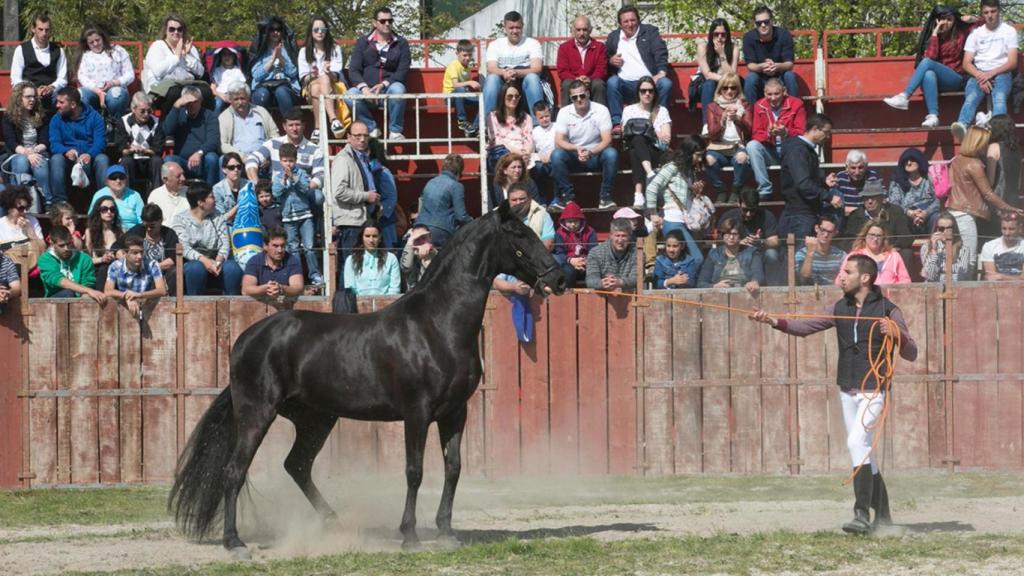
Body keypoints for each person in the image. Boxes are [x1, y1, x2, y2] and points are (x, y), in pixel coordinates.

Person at [750, 254, 918, 536]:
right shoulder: (840, 307)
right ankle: (884, 515)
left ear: (865, 278)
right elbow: (806, 327)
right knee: (863, 451)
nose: (841, 276)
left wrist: (897, 334)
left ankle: (861, 514)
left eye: (847, 272)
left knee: (856, 443)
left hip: (873, 390)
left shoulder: (889, 310)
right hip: (847, 389)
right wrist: (773, 321)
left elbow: (912, 352)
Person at [883, 6, 979, 127]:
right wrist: (935, 33)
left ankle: (905, 96)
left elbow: (985, 21)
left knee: (927, 63)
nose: (946, 23)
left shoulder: (961, 33)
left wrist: (971, 17)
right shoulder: (934, 36)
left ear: (954, 20)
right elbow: (931, 56)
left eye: (949, 19)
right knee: (928, 74)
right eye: (943, 20)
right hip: (939, 82)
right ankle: (933, 116)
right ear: (938, 20)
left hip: (956, 79)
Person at [947, 125, 1023, 266]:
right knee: (969, 258)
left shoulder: (957, 160)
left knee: (959, 255)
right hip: (966, 213)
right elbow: (988, 194)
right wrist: (1009, 208)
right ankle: (968, 288)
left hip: (953, 210)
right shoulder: (975, 164)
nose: (986, 146)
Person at [950, 0, 1018, 140]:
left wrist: (990, 74)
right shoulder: (975, 34)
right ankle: (962, 126)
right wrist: (981, 76)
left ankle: (1000, 134)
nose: (990, 15)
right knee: (971, 98)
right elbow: (966, 63)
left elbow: (1012, 62)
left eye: (993, 12)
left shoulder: (1009, 31)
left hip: (1002, 73)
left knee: (999, 98)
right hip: (978, 73)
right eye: (986, 12)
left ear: (999, 11)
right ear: (982, 14)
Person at [551, 80, 619, 211]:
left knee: (611, 153)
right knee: (556, 155)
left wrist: (591, 152)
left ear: (588, 94)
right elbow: (559, 140)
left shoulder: (601, 110)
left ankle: (606, 197)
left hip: (596, 154)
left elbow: (607, 140)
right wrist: (576, 148)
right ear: (570, 98)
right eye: (574, 97)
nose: (579, 99)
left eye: (582, 95)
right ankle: (568, 198)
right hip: (574, 155)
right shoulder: (564, 112)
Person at [347, 7, 411, 139]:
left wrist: (383, 85)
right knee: (350, 95)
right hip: (367, 92)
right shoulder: (363, 42)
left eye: (390, 20)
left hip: (388, 91)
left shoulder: (401, 43)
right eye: (383, 21)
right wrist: (364, 89)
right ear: (374, 23)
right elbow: (353, 69)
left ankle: (395, 131)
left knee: (398, 89)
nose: (387, 24)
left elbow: (403, 69)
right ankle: (371, 128)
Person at [605, 5, 672, 131]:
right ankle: (617, 123)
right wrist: (611, 61)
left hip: (649, 83)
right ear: (620, 24)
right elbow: (605, 58)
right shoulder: (613, 37)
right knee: (612, 82)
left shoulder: (650, 32)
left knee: (666, 83)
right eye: (626, 21)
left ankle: (659, 121)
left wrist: (661, 73)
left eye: (633, 20)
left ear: (638, 20)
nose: (630, 24)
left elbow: (660, 52)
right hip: (625, 85)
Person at [172, 180, 242, 295]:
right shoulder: (180, 220)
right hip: (194, 261)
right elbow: (184, 247)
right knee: (195, 268)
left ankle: (231, 306)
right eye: (211, 197)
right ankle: (195, 306)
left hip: (216, 260)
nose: (214, 200)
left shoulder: (217, 216)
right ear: (201, 202)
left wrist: (218, 261)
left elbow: (224, 242)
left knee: (232, 268)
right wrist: (205, 261)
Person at [330, 122, 381, 275]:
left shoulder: (361, 158)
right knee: (351, 269)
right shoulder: (343, 159)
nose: (362, 139)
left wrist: (376, 204)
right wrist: (367, 196)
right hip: (351, 223)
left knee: (361, 268)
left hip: (362, 220)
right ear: (349, 138)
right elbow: (339, 191)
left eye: (365, 135)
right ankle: (347, 299)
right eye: (357, 136)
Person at [779, 113, 838, 243]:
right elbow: (803, 183)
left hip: (801, 211)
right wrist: (829, 197)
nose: (828, 137)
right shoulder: (798, 150)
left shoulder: (801, 149)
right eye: (826, 132)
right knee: (800, 256)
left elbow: (802, 179)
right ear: (815, 129)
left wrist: (823, 182)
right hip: (800, 213)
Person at [48, 87, 110, 204]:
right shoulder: (56, 119)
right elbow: (54, 144)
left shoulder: (95, 117)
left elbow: (100, 142)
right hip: (68, 158)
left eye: (61, 102)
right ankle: (60, 201)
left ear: (73, 104)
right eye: (57, 102)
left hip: (90, 157)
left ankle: (105, 200)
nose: (57, 105)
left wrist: (90, 154)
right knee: (56, 159)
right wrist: (66, 151)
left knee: (102, 159)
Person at [646, 137, 715, 240]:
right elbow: (651, 188)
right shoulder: (672, 167)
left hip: (687, 221)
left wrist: (694, 191)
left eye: (702, 155)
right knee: (696, 256)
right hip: (673, 220)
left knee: (692, 256)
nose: (700, 159)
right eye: (698, 155)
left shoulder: (690, 171)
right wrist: (653, 214)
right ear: (688, 152)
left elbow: (684, 196)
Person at [747, 77, 805, 199]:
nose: (773, 98)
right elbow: (756, 134)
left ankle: (798, 188)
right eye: (769, 94)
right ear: (764, 93)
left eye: (776, 94)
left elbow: (802, 133)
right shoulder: (759, 105)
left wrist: (786, 133)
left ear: (784, 91)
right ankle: (764, 189)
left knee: (799, 149)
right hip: (771, 150)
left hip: (789, 150)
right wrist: (768, 134)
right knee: (752, 146)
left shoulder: (796, 104)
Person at [142, 14, 212, 116]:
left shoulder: (190, 48)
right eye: (172, 29)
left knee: (205, 91)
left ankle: (202, 126)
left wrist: (186, 55)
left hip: (187, 85)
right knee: (174, 92)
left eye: (179, 29)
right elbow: (158, 72)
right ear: (165, 30)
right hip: (161, 88)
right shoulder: (158, 46)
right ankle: (167, 127)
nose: (176, 32)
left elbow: (200, 72)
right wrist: (177, 57)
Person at [273, 142, 322, 286]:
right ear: (280, 161)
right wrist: (284, 180)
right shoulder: (278, 176)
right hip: (288, 218)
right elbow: (276, 193)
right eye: (285, 160)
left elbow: (306, 188)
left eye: (291, 160)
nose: (288, 164)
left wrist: (293, 179)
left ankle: (315, 275)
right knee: (292, 248)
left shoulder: (301, 173)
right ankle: (297, 276)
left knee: (309, 247)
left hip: (305, 215)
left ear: (296, 160)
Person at [246, 108, 325, 196]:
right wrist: (257, 184)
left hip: (303, 193)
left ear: (304, 125)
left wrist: (304, 187)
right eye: (291, 125)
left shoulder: (315, 149)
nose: (294, 129)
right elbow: (252, 159)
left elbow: (320, 175)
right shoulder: (273, 144)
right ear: (284, 126)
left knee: (318, 196)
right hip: (279, 192)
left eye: (297, 125)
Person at [482, 11, 545, 122]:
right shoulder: (495, 45)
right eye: (511, 28)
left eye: (518, 27)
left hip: (524, 85)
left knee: (533, 78)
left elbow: (537, 68)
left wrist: (516, 72)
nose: (515, 31)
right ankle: (487, 124)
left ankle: (537, 125)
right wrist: (504, 73)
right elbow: (491, 68)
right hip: (502, 86)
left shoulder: (532, 43)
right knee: (492, 79)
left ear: (522, 26)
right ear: (505, 27)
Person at [622, 76, 672, 209]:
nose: (647, 94)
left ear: (655, 93)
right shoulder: (629, 110)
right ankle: (650, 174)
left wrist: (648, 131)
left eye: (650, 91)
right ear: (638, 92)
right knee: (637, 142)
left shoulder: (661, 111)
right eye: (643, 91)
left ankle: (638, 194)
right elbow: (625, 132)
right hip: (636, 148)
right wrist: (652, 132)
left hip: (656, 151)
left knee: (636, 148)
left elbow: (666, 138)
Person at [704, 73, 752, 204]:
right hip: (718, 148)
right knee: (708, 159)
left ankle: (736, 191)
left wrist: (738, 120)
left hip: (738, 146)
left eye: (733, 88)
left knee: (742, 158)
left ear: (738, 89)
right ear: (720, 90)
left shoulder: (745, 105)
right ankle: (721, 190)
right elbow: (712, 134)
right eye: (725, 88)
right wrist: (723, 119)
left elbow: (749, 132)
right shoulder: (713, 107)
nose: (729, 91)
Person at [299, 16, 347, 140]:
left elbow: (337, 75)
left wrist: (328, 72)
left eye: (323, 29)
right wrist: (313, 75)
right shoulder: (304, 52)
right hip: (310, 84)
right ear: (311, 32)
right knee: (317, 83)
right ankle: (333, 120)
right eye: (316, 30)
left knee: (321, 83)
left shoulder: (335, 49)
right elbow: (303, 77)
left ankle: (317, 128)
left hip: (333, 85)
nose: (320, 32)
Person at [163, 85, 221, 186]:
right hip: (183, 162)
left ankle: (210, 192)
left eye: (195, 102)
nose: (192, 105)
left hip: (202, 160)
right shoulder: (178, 114)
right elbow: (167, 131)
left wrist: (199, 153)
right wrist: (176, 106)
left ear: (201, 100)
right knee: (169, 160)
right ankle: (174, 193)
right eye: (189, 103)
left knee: (212, 158)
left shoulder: (209, 115)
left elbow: (213, 140)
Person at [2, 82, 51, 202]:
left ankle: (47, 200)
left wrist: (34, 152)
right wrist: (27, 154)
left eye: (34, 96)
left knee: (39, 163)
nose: (32, 100)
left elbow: (45, 141)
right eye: (28, 97)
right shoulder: (8, 118)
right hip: (17, 152)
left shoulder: (41, 116)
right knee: (21, 161)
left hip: (38, 151)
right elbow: (11, 142)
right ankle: (18, 198)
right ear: (19, 98)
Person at [74, 25, 134, 121]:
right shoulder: (85, 55)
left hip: (114, 89)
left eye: (98, 40)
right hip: (93, 91)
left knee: (116, 96)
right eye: (91, 42)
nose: (96, 44)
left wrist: (114, 83)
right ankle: (91, 124)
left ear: (103, 38)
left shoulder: (118, 51)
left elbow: (130, 74)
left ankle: (115, 125)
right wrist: (98, 91)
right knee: (81, 95)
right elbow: (82, 76)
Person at [841, 182, 913, 260]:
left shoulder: (895, 212)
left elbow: (906, 236)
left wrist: (893, 248)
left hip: (889, 253)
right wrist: (864, 250)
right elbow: (848, 241)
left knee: (906, 253)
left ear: (882, 198)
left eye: (873, 197)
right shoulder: (855, 216)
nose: (869, 201)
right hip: (864, 256)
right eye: (866, 198)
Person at [117, 204, 179, 295]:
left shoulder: (169, 234)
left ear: (161, 220)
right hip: (138, 273)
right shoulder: (137, 230)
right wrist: (121, 255)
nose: (148, 229)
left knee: (175, 272)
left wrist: (152, 268)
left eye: (152, 226)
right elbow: (117, 246)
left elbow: (173, 260)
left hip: (162, 274)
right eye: (146, 225)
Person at [742, 5, 799, 104]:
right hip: (760, 79)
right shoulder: (749, 37)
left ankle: (794, 111)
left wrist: (776, 66)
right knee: (750, 78)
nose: (763, 25)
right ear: (755, 24)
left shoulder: (784, 35)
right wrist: (763, 66)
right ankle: (750, 116)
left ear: (771, 21)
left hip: (780, 78)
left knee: (790, 76)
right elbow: (750, 65)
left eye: (766, 22)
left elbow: (789, 64)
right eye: (759, 23)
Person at [10, 14, 67, 110]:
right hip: (28, 94)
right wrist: (33, 91)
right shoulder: (21, 50)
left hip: (52, 94)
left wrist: (52, 87)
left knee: (63, 98)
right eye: (40, 29)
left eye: (47, 30)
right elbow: (15, 79)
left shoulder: (59, 51)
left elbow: (63, 78)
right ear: (33, 29)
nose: (44, 33)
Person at [718, 188, 782, 273]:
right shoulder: (729, 216)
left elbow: (775, 242)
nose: (748, 214)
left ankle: (774, 285)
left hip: (760, 253)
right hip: (736, 254)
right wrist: (737, 243)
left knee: (772, 254)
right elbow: (718, 241)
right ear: (738, 203)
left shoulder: (767, 216)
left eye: (752, 210)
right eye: (745, 210)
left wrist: (761, 242)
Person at [416, 153, 472, 248]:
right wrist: (473, 221)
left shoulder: (430, 182)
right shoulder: (456, 186)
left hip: (419, 228)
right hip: (441, 232)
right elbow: (461, 216)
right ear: (459, 172)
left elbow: (420, 206)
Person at [104, 234, 167, 318]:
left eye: (141, 252)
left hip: (148, 309)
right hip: (125, 310)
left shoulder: (152, 264)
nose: (140, 256)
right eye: (135, 253)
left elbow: (162, 290)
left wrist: (139, 295)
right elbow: (108, 290)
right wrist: (128, 296)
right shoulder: (116, 266)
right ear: (125, 253)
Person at [114, 92, 164, 195]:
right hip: (132, 160)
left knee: (157, 161)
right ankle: (126, 197)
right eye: (142, 111)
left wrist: (144, 150)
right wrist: (131, 150)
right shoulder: (124, 122)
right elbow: (121, 148)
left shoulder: (156, 122)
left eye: (149, 111)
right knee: (126, 161)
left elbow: (158, 149)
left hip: (149, 161)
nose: (146, 114)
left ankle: (157, 197)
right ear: (133, 109)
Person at [37, 225, 105, 302]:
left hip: (80, 297)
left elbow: (87, 283)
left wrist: (85, 297)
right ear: (52, 244)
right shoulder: (45, 259)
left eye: (69, 243)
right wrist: (88, 291)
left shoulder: (84, 259)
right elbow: (57, 280)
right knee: (68, 293)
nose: (66, 248)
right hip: (54, 301)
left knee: (89, 298)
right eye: (61, 245)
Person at [248, 16, 300, 115]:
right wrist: (272, 59)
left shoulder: (288, 48)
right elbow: (256, 76)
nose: (275, 32)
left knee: (281, 92)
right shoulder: (260, 50)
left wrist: (280, 58)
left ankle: (289, 124)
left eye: (278, 29)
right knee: (262, 94)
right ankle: (262, 127)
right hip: (263, 86)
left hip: (285, 87)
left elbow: (293, 73)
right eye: (272, 29)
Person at [698, 217, 765, 294]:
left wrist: (754, 282)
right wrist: (714, 286)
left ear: (740, 236)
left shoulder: (752, 252)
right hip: (719, 295)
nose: (731, 237)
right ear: (722, 235)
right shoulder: (714, 254)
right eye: (727, 233)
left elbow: (758, 274)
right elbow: (701, 282)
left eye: (734, 234)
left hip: (745, 293)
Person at [695, 19, 742, 124]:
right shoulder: (703, 47)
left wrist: (722, 55)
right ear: (711, 34)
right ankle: (707, 124)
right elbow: (707, 74)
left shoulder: (734, 48)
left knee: (738, 84)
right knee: (709, 84)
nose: (720, 38)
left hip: (726, 85)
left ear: (727, 35)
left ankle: (741, 122)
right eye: (716, 34)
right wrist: (724, 79)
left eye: (723, 35)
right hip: (706, 85)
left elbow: (732, 75)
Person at [836, 221, 911, 286]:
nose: (875, 239)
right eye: (872, 235)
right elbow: (840, 280)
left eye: (879, 236)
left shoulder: (894, 256)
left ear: (883, 238)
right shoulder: (854, 256)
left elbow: (905, 281)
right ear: (865, 236)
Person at [556, 15, 608, 106]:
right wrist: (576, 79)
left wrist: (589, 79)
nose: (581, 33)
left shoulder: (600, 47)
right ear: (573, 30)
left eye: (585, 29)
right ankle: (566, 117)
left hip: (592, 81)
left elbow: (602, 69)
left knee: (599, 84)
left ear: (590, 30)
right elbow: (562, 71)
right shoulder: (564, 48)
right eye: (578, 30)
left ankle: (600, 115)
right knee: (566, 83)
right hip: (573, 81)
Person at [242, 226, 305, 301]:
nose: (280, 250)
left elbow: (297, 288)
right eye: (275, 246)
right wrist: (266, 288)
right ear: (265, 246)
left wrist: (281, 288)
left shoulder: (292, 261)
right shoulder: (255, 261)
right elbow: (246, 289)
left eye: (282, 246)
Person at [218, 84, 279, 159]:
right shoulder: (224, 117)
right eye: (236, 99)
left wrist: (267, 155)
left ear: (248, 98)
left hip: (263, 156)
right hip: (238, 158)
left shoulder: (261, 112)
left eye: (242, 98)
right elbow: (222, 144)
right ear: (230, 100)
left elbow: (274, 136)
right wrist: (241, 157)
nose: (240, 102)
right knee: (222, 160)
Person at [485, 82, 534, 174]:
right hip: (503, 154)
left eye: (517, 96)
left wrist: (526, 153)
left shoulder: (526, 117)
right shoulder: (492, 117)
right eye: (510, 96)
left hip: (522, 154)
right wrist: (517, 153)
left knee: (538, 167)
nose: (514, 99)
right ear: (502, 97)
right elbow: (497, 140)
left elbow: (529, 139)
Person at [888, 148, 939, 235]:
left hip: (928, 214)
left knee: (937, 218)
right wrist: (910, 213)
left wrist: (926, 213)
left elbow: (938, 200)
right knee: (899, 219)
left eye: (912, 160)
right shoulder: (898, 181)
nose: (909, 163)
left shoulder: (930, 177)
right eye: (906, 161)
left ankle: (935, 244)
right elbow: (894, 203)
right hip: (907, 215)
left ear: (920, 161)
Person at [343, 219, 400, 296]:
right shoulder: (351, 260)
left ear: (380, 237)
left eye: (375, 236)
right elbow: (350, 288)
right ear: (361, 238)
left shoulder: (391, 259)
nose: (371, 240)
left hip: (387, 305)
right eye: (367, 236)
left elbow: (395, 289)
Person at [0, 187, 47, 274]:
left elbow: (42, 248)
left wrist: (29, 230)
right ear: (10, 207)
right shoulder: (1, 225)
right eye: (21, 208)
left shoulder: (32, 221)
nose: (24, 212)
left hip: (31, 267)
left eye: (26, 208)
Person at [831, 150, 884, 224]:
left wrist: (851, 210)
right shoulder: (840, 178)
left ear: (866, 166)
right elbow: (836, 205)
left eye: (860, 167)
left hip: (867, 219)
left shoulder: (873, 177)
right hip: (844, 219)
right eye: (853, 168)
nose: (857, 172)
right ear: (846, 167)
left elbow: (881, 202)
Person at [552, 201, 597, 287]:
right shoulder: (559, 233)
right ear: (564, 221)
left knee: (594, 271)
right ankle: (568, 296)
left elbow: (593, 251)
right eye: (569, 221)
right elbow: (559, 253)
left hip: (586, 262)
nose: (573, 225)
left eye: (576, 221)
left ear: (581, 220)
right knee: (568, 272)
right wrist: (571, 261)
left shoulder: (590, 231)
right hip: (568, 263)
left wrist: (585, 261)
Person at [920, 212, 975, 282]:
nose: (945, 231)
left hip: (955, 288)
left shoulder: (963, 249)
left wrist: (939, 273)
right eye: (941, 228)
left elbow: (961, 276)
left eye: (949, 228)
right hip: (932, 289)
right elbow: (930, 276)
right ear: (936, 229)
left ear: (954, 229)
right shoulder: (927, 247)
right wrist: (934, 251)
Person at [83, 196, 124, 288]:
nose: (109, 212)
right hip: (97, 269)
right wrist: (102, 259)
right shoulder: (90, 232)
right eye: (104, 209)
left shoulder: (120, 232)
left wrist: (116, 257)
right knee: (104, 268)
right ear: (98, 211)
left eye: (112, 209)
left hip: (117, 269)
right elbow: (86, 260)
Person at [585, 217, 636, 291]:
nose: (620, 240)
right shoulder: (595, 253)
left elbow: (636, 278)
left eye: (624, 236)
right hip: (602, 297)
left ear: (630, 236)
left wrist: (620, 282)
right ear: (611, 235)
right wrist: (602, 283)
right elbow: (590, 279)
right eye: (617, 235)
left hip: (630, 297)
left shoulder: (637, 253)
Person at [795, 214, 847, 286]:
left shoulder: (840, 255)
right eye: (823, 230)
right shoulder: (802, 253)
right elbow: (803, 277)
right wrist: (810, 252)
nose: (825, 235)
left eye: (830, 232)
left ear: (835, 233)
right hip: (810, 292)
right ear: (816, 228)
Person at [444, 39, 481, 136]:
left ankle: (474, 128)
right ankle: (462, 121)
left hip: (462, 96)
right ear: (457, 53)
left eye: (469, 55)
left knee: (483, 101)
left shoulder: (467, 67)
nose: (467, 58)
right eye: (464, 55)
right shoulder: (453, 65)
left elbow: (466, 87)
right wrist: (470, 82)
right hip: (450, 97)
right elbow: (455, 85)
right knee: (459, 90)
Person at [986, 114, 1021, 209]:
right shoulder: (1016, 148)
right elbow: (1019, 181)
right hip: (1013, 197)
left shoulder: (994, 147)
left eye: (990, 128)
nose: (988, 131)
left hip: (998, 198)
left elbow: (990, 180)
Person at [507, 182, 555, 251]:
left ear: (529, 199)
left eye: (522, 199)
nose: (518, 202)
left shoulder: (542, 214)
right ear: (508, 201)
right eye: (514, 200)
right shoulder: (497, 215)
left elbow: (548, 244)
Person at [980, 213, 1024, 280]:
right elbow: (991, 277)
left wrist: (1001, 277)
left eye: (1011, 229)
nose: (1007, 233)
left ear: (1020, 228)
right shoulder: (989, 246)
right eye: (1004, 228)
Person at [209, 42, 248, 114]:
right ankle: (215, 123)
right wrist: (221, 96)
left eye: (229, 54)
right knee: (217, 104)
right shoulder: (218, 70)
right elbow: (212, 89)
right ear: (220, 57)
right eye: (224, 55)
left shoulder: (238, 70)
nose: (227, 57)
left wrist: (236, 96)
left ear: (234, 56)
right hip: (221, 95)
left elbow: (243, 86)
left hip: (236, 94)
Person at [212, 153, 249, 225]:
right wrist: (240, 204)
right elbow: (221, 219)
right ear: (224, 170)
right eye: (231, 167)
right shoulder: (217, 189)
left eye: (239, 167)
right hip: (228, 225)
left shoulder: (249, 185)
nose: (236, 170)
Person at [400, 225, 437, 291]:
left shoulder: (435, 254)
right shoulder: (410, 252)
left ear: (430, 237)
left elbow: (434, 278)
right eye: (417, 239)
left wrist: (426, 258)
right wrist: (410, 241)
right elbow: (405, 267)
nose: (421, 242)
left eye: (423, 238)